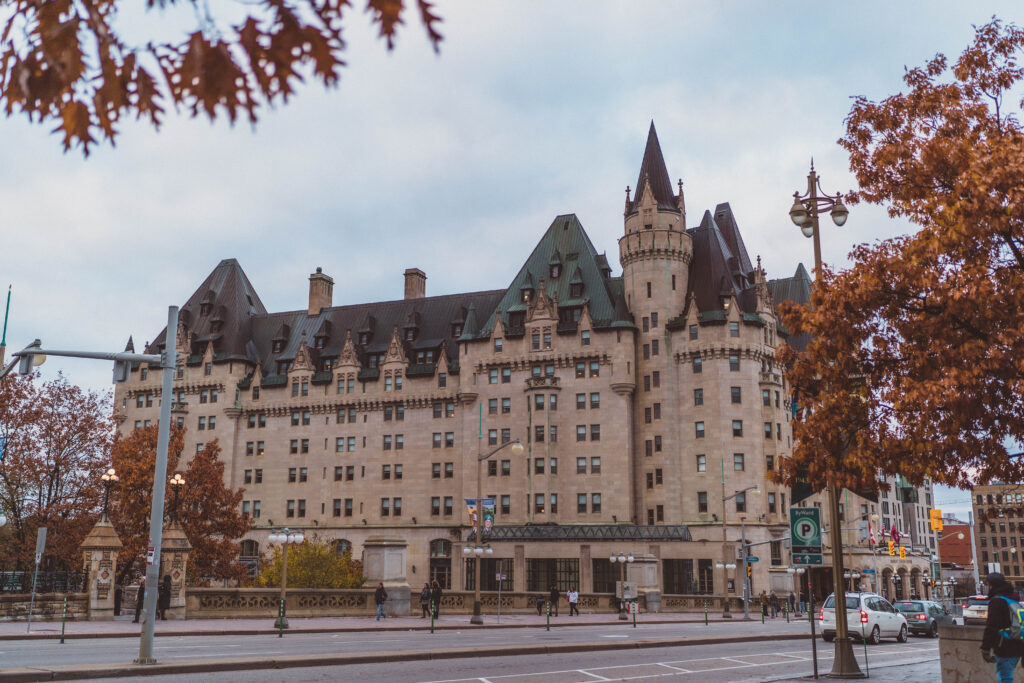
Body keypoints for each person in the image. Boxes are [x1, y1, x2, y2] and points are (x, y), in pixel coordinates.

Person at [981, 572, 1024, 683]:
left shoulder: (997, 601)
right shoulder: (1013, 599)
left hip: (1005, 646)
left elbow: (992, 626)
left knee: (1004, 678)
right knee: (1006, 676)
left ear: (991, 585)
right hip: (1018, 644)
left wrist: (985, 648)